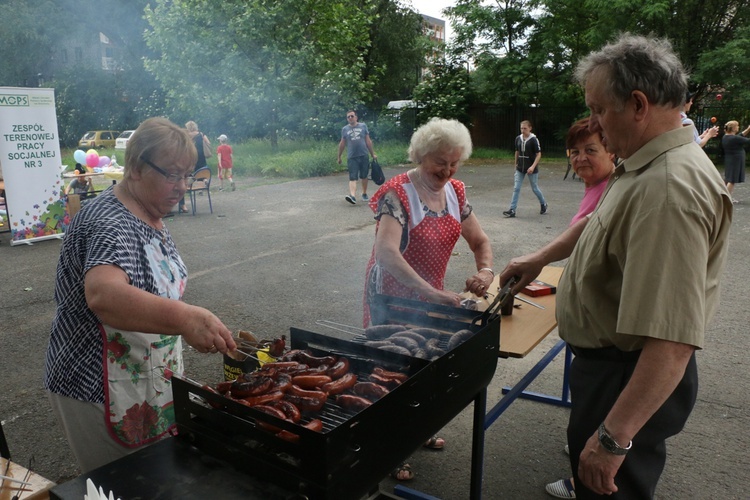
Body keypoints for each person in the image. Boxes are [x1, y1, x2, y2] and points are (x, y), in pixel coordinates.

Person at [500, 34, 732, 499]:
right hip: (611, 371)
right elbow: (597, 224)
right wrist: (541, 257)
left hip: (625, 378)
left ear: (639, 104)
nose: (595, 124)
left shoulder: (668, 189)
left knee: (607, 488)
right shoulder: (645, 164)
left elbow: (671, 341)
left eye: (600, 109)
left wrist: (612, 438)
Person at [44, 117, 237, 473]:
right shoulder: (108, 221)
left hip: (146, 377)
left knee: (161, 478)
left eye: (187, 175)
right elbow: (104, 296)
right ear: (134, 168)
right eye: (171, 175)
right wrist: (186, 318)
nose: (182, 186)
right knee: (126, 486)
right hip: (98, 387)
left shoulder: (149, 212)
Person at [363, 118, 493, 480]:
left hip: (431, 295)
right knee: (390, 371)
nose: (448, 170)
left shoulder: (456, 191)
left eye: (455, 162)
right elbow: (387, 253)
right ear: (421, 155)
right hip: (391, 295)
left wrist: (486, 272)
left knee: (423, 366)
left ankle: (415, 431)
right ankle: (391, 449)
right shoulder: (398, 193)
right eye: (440, 161)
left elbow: (481, 241)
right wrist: (433, 293)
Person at [543, 117, 616, 499]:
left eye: (591, 150)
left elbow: (586, 232)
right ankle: (590, 441)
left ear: (611, 151)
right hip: (590, 314)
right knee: (594, 398)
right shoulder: (597, 186)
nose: (580, 158)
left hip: (603, 325)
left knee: (600, 394)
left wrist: (537, 260)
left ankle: (582, 482)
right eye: (574, 152)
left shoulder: (610, 189)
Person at [503, 120, 548, 218]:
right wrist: (515, 164)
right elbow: (517, 151)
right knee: (516, 188)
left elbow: (538, 154)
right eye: (521, 128)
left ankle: (543, 203)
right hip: (520, 167)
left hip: (531, 167)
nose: (523, 130)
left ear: (530, 128)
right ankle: (512, 209)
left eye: (525, 128)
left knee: (535, 188)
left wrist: (532, 166)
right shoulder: (518, 139)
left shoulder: (533, 140)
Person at [337, 110, 377, 204]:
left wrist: (372, 154)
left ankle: (364, 193)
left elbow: (368, 141)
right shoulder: (345, 129)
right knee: (353, 177)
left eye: (352, 116)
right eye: (348, 117)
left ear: (356, 117)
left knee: (364, 176)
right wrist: (339, 156)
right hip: (352, 157)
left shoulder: (363, 126)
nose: (350, 118)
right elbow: (342, 144)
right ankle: (353, 196)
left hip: (363, 155)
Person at [179, 120, 211, 213]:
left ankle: (183, 205)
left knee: (183, 180)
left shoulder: (186, 135)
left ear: (188, 127)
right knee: (202, 174)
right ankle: (204, 181)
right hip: (202, 161)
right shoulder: (201, 134)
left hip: (190, 161)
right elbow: (208, 143)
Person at [721, 119, 750, 203]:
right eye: (737, 126)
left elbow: (740, 136)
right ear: (733, 128)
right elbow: (747, 140)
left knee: (727, 179)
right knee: (732, 180)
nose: (738, 127)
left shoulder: (726, 137)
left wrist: (748, 129)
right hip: (736, 160)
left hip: (730, 159)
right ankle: (727, 198)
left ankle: (723, 195)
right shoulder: (734, 138)